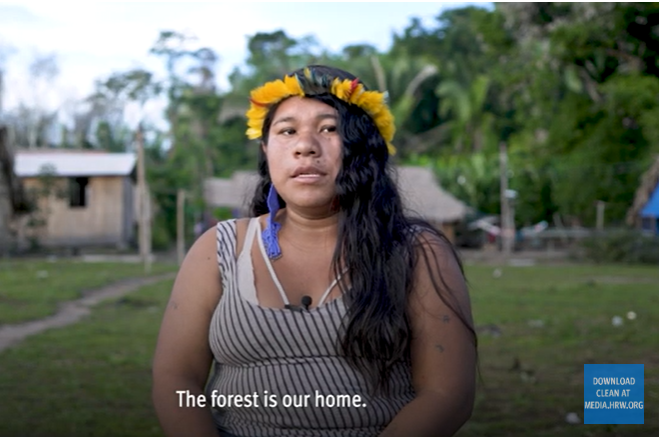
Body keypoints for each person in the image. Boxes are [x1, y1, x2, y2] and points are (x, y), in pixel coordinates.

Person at [152, 65, 477, 436]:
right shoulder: (219, 249)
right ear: (266, 149)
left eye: (329, 129)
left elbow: (446, 393)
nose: (305, 145)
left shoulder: (418, 253)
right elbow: (176, 380)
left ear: (364, 147)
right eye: (287, 131)